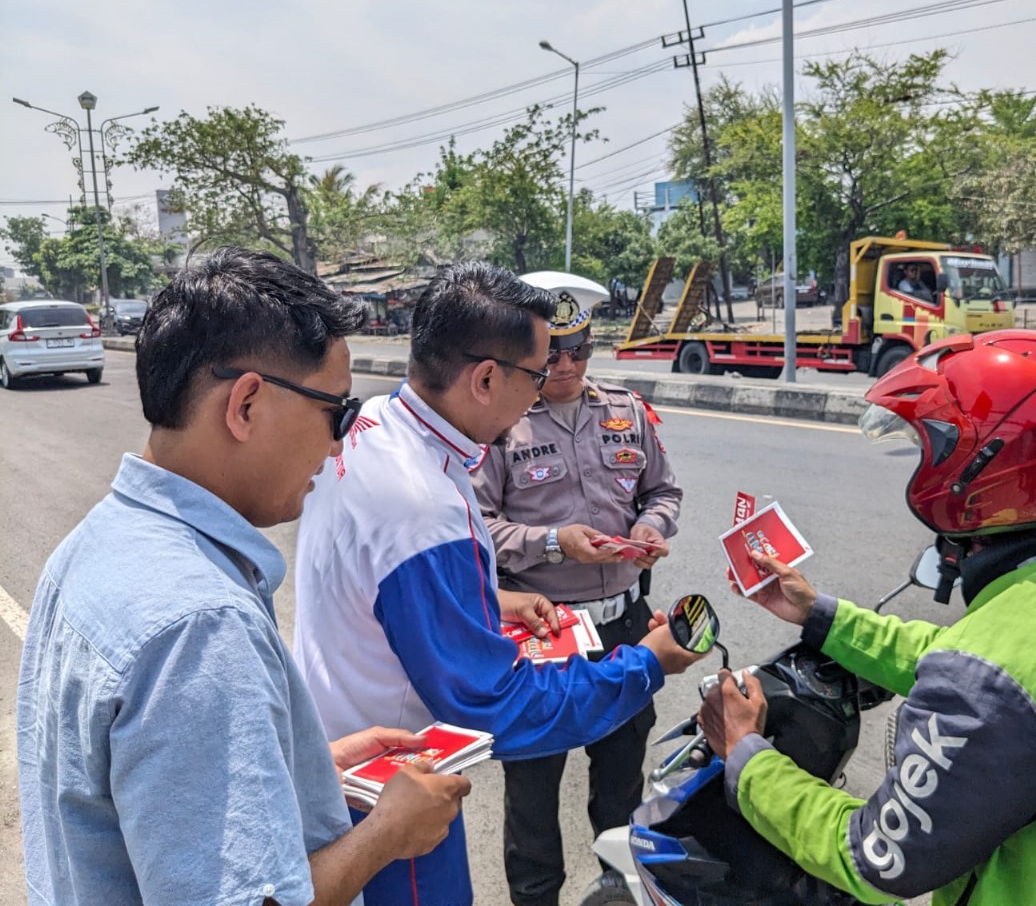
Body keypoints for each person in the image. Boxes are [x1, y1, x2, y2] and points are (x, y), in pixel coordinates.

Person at [17, 246, 470, 906]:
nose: (341, 443)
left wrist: (304, 766)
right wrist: (390, 833)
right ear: (248, 405)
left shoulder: (95, 547)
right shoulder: (200, 625)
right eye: (337, 412)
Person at [699, 329, 1036, 906]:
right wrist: (820, 615)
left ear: (983, 466)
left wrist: (747, 758)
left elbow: (876, 857)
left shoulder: (993, 674)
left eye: (929, 447)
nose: (920, 462)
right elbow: (967, 658)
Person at [292, 263, 706, 906]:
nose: (547, 386)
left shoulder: (377, 422)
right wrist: (649, 664)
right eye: (537, 374)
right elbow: (498, 706)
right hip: (390, 791)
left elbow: (391, 592)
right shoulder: (424, 508)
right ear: (487, 377)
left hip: (351, 755)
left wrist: (493, 596)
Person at [471, 271, 683, 906]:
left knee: (621, 787)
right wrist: (556, 542)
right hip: (541, 631)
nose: (565, 365)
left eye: (580, 349)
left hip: (623, 625)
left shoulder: (626, 410)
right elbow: (476, 528)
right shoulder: (500, 426)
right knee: (533, 794)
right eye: (552, 352)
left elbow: (663, 490)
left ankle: (619, 894)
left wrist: (649, 526)